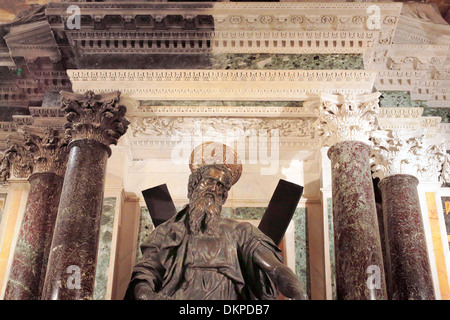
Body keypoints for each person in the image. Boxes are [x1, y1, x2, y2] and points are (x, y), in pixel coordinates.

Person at [125, 164, 308, 300]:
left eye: (221, 186)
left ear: (224, 196)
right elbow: (146, 272)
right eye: (209, 182)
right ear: (193, 187)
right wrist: (145, 294)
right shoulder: (167, 232)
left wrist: (299, 293)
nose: (214, 188)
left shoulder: (241, 232)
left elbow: (275, 268)